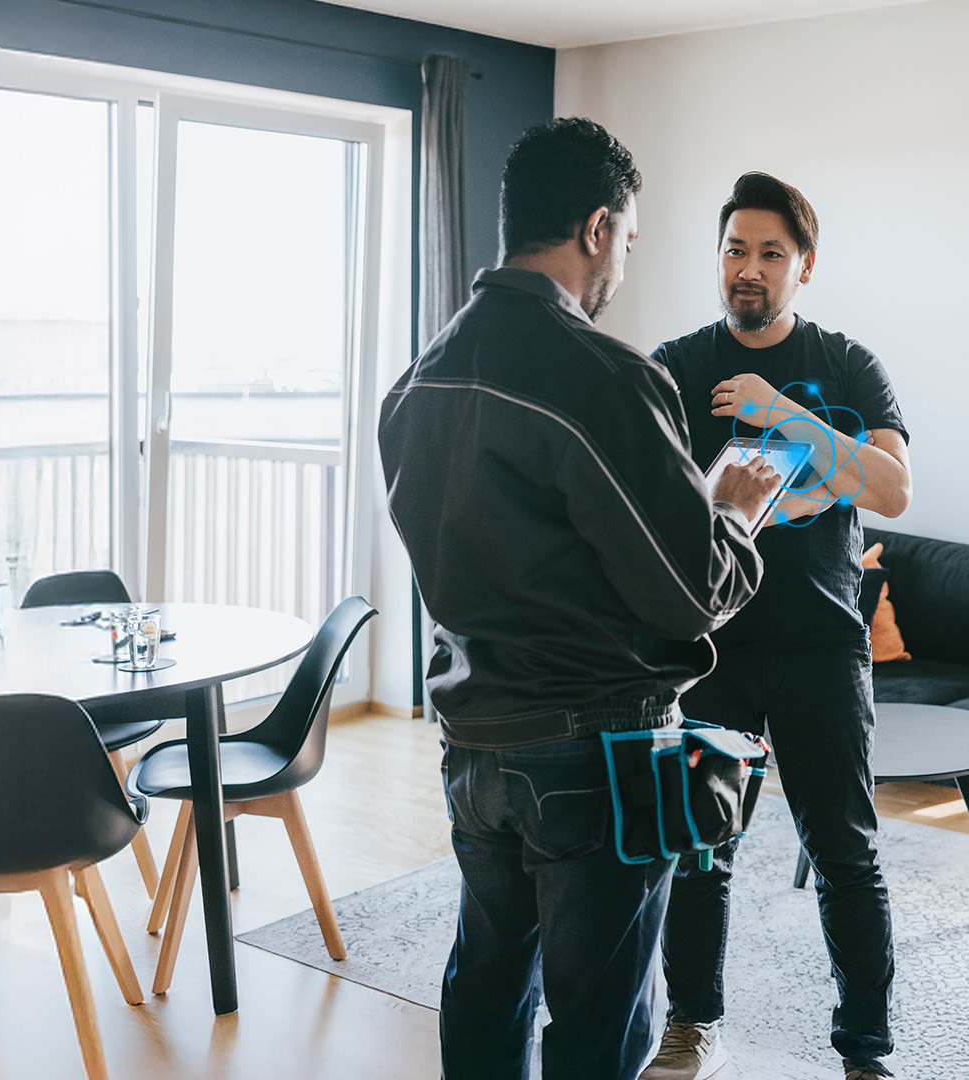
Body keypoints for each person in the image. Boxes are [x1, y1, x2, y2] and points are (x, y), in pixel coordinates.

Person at [378, 119, 783, 1080]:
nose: (624, 265)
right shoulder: (605, 376)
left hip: (473, 739)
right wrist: (732, 513)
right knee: (600, 1026)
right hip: (593, 751)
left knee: (487, 988)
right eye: (629, 239)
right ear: (598, 227)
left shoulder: (418, 381)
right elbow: (692, 593)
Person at [643, 173, 912, 1080]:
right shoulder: (674, 366)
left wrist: (779, 409)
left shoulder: (848, 364)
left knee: (845, 853)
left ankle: (865, 1052)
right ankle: (692, 1025)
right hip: (708, 650)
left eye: (769, 253)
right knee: (698, 850)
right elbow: (640, 506)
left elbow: (892, 491)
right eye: (734, 250)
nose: (748, 269)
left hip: (822, 646)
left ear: (805, 265)